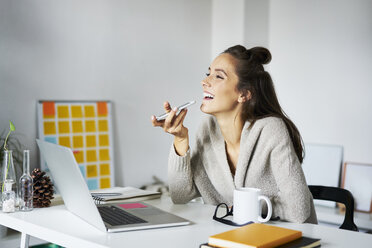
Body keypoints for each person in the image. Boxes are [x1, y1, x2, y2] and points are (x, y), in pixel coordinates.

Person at [151, 45, 317, 224]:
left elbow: (298, 210)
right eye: (208, 73)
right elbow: (179, 195)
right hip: (235, 236)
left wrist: (243, 208)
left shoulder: (270, 129)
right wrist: (180, 139)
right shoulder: (207, 129)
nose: (205, 81)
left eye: (218, 76)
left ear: (244, 94)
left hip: (287, 237)